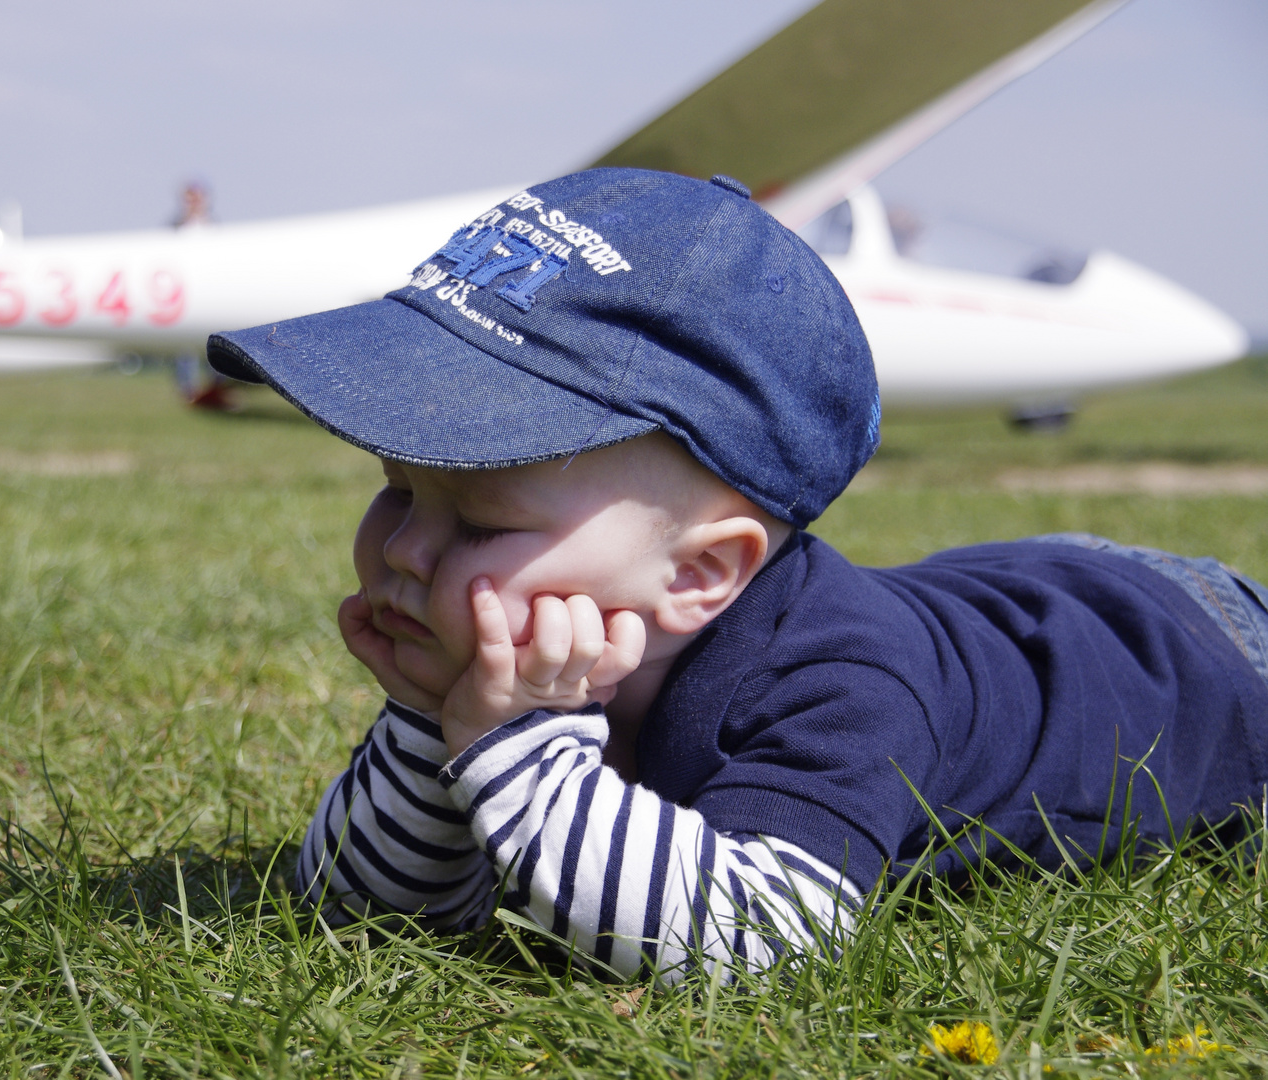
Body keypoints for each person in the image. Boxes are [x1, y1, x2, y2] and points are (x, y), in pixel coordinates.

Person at [203, 168, 1268, 984]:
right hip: (1007, 588)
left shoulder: (844, 685)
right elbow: (368, 908)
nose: (400, 549)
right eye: (395, 489)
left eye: (477, 519)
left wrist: (511, 749)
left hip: (1190, 643)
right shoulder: (548, 649)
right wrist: (425, 720)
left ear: (703, 575)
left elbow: (766, 936)